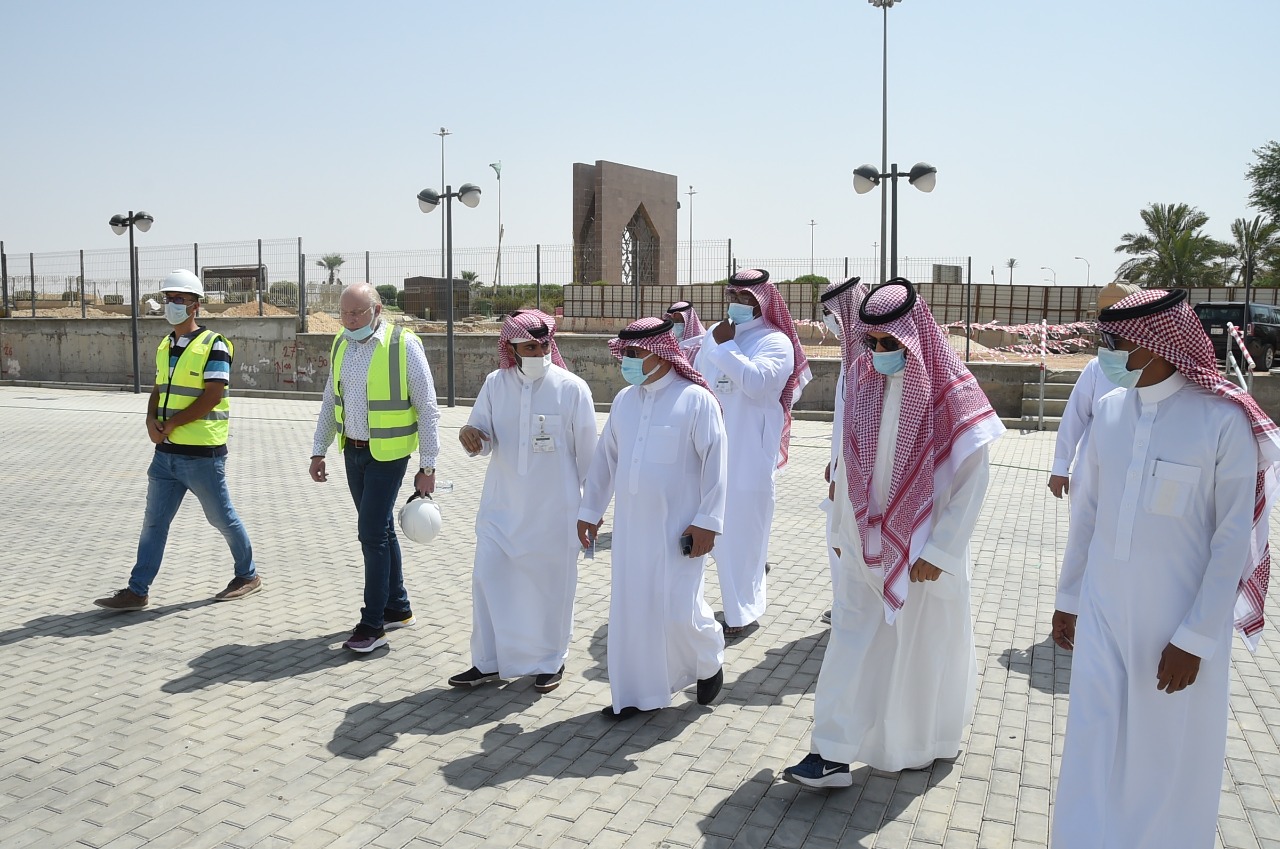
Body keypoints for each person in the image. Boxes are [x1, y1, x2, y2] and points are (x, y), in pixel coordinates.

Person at [1051, 288, 1280, 848]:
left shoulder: (1221, 420)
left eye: (1114, 341)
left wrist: (1196, 638)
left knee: (1165, 753)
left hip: (1175, 626)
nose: (1106, 353)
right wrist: (1068, 599)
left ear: (1154, 345)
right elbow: (1087, 515)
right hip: (1103, 612)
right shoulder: (1109, 413)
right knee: (1093, 741)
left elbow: (1231, 540)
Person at [784, 278, 1004, 787]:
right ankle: (830, 751)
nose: (880, 351)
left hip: (924, 553)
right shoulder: (864, 382)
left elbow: (973, 481)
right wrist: (842, 531)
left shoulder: (952, 394)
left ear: (914, 336)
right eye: (873, 341)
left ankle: (922, 743)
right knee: (849, 638)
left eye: (890, 342)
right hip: (864, 545)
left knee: (920, 650)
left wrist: (941, 551)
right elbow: (850, 467)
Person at [576, 317, 727, 719]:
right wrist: (590, 511)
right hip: (631, 532)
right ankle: (636, 696)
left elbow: (717, 463)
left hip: (679, 530)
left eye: (634, 353)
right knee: (633, 612)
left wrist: (708, 521)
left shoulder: (696, 400)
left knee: (678, 610)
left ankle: (708, 658)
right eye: (624, 352)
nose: (626, 361)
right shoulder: (625, 401)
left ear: (661, 353)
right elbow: (605, 461)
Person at [450, 310, 598, 693]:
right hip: (501, 510)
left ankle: (551, 661)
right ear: (511, 347)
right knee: (487, 579)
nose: (538, 352)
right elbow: (481, 436)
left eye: (543, 345)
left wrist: (592, 511)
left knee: (551, 591)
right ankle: (487, 662)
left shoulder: (572, 388)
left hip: (555, 513)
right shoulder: (495, 384)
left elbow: (590, 458)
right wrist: (470, 436)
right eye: (529, 347)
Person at [95, 270, 261, 610]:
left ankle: (248, 575)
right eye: (168, 298)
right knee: (154, 523)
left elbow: (212, 396)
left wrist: (170, 424)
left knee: (222, 518)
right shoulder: (165, 344)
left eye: (179, 299)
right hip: (166, 455)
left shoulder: (214, 345)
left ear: (195, 305)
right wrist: (150, 419)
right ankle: (137, 590)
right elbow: (159, 388)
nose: (172, 304)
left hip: (202, 455)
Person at [310, 283, 441, 653]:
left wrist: (428, 465)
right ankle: (397, 607)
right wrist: (318, 451)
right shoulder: (341, 343)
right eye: (344, 313)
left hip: (389, 455)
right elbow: (329, 399)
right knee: (381, 529)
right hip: (353, 452)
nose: (350, 320)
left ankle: (372, 626)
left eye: (358, 313)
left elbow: (428, 407)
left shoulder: (403, 345)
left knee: (370, 534)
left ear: (377, 310)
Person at [693, 268, 811, 636]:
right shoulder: (715, 333)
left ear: (762, 302)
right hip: (705, 450)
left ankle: (742, 612)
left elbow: (758, 383)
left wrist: (727, 347)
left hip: (748, 456)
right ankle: (689, 611)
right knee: (699, 532)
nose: (738, 303)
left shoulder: (775, 341)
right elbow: (696, 380)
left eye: (746, 298)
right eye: (733, 296)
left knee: (742, 538)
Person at [1046, 281, 1140, 499]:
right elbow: (1074, 418)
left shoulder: (1155, 370)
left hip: (1136, 474)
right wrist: (1060, 466)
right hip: (1091, 475)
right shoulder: (1097, 368)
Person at [817, 277, 870, 626]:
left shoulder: (867, 356)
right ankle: (845, 605)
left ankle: (852, 611)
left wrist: (843, 473)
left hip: (858, 474)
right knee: (838, 538)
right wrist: (834, 461)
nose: (828, 319)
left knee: (847, 540)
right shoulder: (849, 353)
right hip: (844, 466)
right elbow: (843, 420)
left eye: (831, 312)